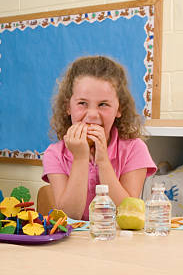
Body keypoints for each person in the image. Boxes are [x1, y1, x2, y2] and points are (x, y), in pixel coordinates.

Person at [42, 55, 157, 220]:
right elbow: (69, 215)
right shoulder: (54, 154)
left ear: (119, 109)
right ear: (68, 107)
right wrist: (80, 159)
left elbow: (126, 212)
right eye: (82, 103)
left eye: (103, 104)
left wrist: (103, 160)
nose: (92, 115)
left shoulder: (135, 149)